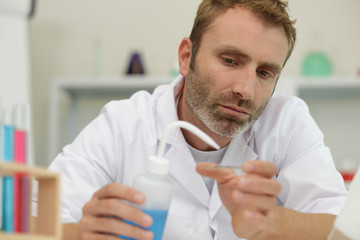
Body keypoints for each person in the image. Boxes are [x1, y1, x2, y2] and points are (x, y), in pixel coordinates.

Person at [47, 0, 347, 239]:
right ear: (186, 57)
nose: (246, 90)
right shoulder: (123, 124)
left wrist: (272, 225)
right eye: (230, 60)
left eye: (264, 72)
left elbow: (346, 230)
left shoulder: (287, 122)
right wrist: (77, 234)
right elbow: (31, 222)